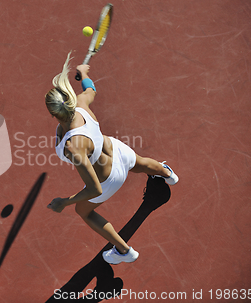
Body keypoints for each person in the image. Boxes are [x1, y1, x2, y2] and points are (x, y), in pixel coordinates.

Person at [45, 52, 178, 264]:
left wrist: (64, 202)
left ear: (52, 114)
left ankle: (124, 251)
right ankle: (167, 174)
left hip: (109, 180)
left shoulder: (73, 147)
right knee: (141, 163)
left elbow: (94, 189)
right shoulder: (81, 102)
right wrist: (83, 73)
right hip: (117, 151)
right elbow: (91, 89)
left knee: (84, 211)